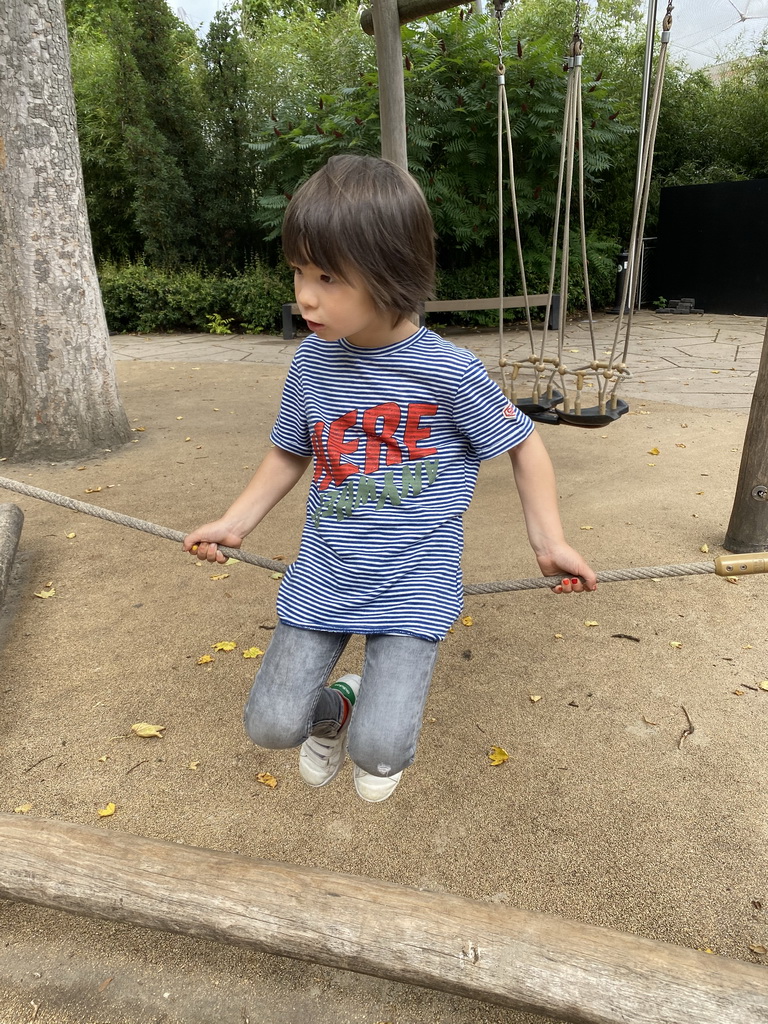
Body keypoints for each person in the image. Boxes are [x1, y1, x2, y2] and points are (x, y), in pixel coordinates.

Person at [183, 153, 597, 804]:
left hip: (414, 582)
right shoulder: (313, 364)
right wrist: (235, 523)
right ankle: (335, 709)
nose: (305, 295)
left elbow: (525, 444)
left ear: (389, 273)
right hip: (326, 571)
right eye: (298, 271)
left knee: (379, 758)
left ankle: (367, 723)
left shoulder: (449, 374)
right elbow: (290, 451)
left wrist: (547, 541)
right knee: (270, 725)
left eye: (326, 276)